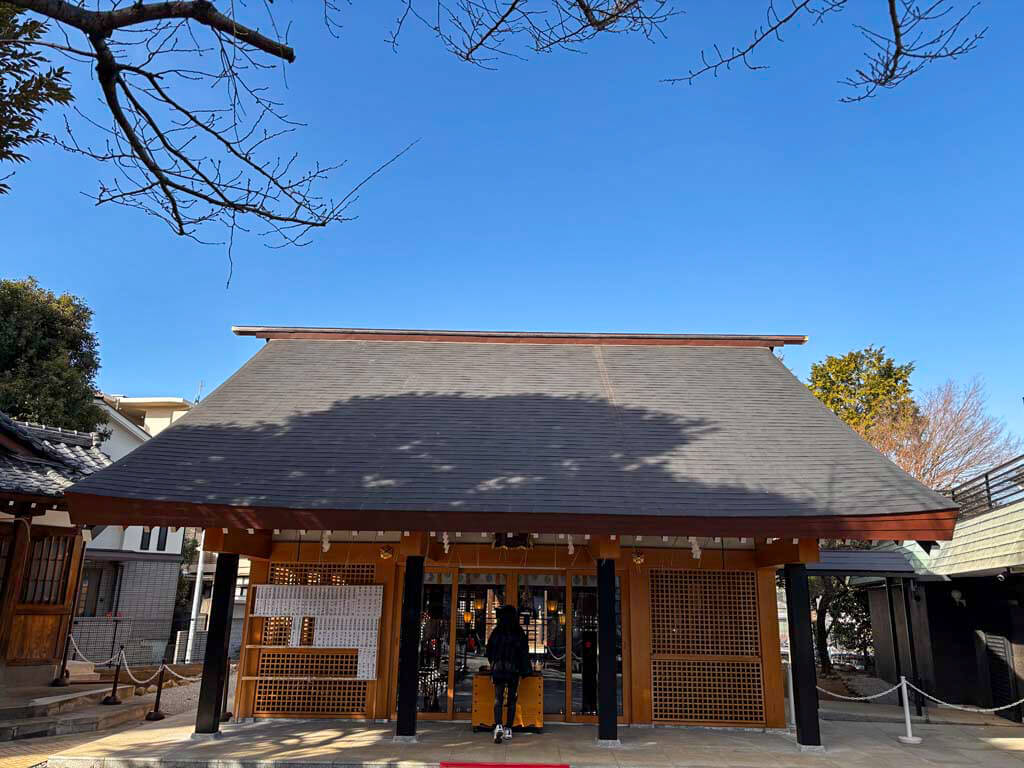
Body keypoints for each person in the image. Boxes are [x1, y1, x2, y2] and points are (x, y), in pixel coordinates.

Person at [485, 604, 530, 744]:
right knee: (511, 700)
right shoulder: (518, 632)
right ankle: (508, 728)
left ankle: (498, 725)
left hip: (499, 668)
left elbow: (489, 650)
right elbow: (524, 651)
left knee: (498, 698)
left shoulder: (497, 631)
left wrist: (493, 662)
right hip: (513, 670)